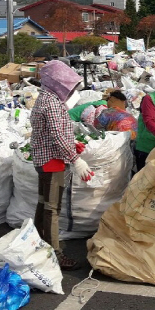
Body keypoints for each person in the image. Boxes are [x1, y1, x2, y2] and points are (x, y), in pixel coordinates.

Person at [30, 60, 92, 270]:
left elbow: (53, 132)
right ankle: (55, 252)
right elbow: (56, 135)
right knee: (52, 208)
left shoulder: (47, 99)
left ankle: (38, 242)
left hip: (46, 157)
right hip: (52, 161)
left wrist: (72, 144)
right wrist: (76, 159)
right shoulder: (52, 103)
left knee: (43, 203)